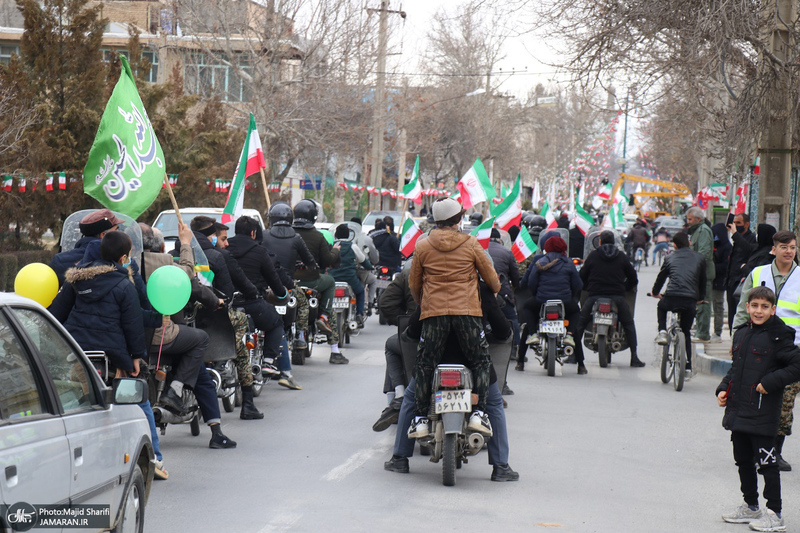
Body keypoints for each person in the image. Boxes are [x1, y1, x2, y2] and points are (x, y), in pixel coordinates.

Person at [383, 299, 518, 482]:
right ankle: (501, 466)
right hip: (474, 366)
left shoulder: (433, 288)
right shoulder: (479, 290)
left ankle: (400, 458)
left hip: (433, 365)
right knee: (493, 403)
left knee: (410, 397)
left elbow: (413, 330)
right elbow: (503, 331)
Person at [406, 197, 501, 439]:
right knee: (480, 361)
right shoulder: (471, 244)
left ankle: (420, 420)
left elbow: (414, 285)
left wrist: (424, 303)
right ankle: (479, 414)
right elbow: (492, 280)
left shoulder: (422, 246)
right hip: (467, 314)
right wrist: (493, 290)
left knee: (425, 364)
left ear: (436, 220)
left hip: (434, 315)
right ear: (459, 219)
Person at [717, 286, 800, 531]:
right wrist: (723, 389)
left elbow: (797, 365)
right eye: (754, 306)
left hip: (764, 414)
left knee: (768, 464)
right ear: (747, 307)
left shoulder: (779, 335)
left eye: (764, 307)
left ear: (773, 309)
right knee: (743, 460)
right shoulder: (742, 333)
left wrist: (770, 382)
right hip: (739, 410)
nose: (759, 311)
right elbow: (736, 368)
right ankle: (751, 506)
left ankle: (775, 514)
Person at [733, 230, 800, 473]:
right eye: (784, 247)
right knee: (754, 398)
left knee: (784, 403)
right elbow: (743, 310)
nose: (789, 251)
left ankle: (775, 452)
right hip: (757, 348)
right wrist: (736, 340)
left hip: (790, 350)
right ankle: (754, 449)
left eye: (792, 247)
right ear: (774, 249)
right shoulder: (758, 273)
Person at [226, 215, 301, 391]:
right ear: (253, 233)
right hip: (253, 303)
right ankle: (268, 361)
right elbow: (274, 279)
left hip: (228, 305)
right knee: (276, 323)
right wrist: (282, 293)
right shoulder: (260, 252)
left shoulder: (225, 249)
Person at [576, 230, 644, 367]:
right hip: (617, 297)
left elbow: (582, 276)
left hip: (594, 296)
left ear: (600, 242)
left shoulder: (593, 256)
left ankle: (573, 356)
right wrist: (625, 287)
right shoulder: (622, 257)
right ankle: (634, 357)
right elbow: (633, 277)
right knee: (628, 323)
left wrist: (588, 287)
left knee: (580, 323)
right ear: (614, 242)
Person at [292, 199, 348, 364]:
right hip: (311, 281)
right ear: (313, 217)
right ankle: (333, 347)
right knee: (330, 282)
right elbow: (327, 260)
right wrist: (336, 251)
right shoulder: (318, 236)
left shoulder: (286, 234)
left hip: (289, 283)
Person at [523, 235, 586, 374]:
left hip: (541, 300)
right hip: (564, 302)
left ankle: (531, 338)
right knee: (575, 312)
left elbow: (531, 283)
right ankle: (572, 342)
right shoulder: (568, 262)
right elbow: (578, 284)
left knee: (527, 307)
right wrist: (569, 295)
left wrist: (537, 294)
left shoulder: (539, 261)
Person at [261, 202, 319, 350]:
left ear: (271, 218)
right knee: (303, 304)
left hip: (266, 283)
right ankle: (300, 335)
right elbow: (309, 260)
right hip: (287, 284)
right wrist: (311, 265)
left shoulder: (264, 235)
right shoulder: (296, 238)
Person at [652, 232, 707, 376]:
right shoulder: (700, 258)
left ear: (675, 245)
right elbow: (702, 282)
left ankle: (662, 332)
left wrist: (655, 292)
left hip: (671, 297)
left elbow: (661, 278)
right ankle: (687, 368)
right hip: (690, 300)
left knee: (661, 306)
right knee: (686, 332)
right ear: (689, 243)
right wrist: (700, 298)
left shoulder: (669, 257)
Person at [372, 262, 417, 432]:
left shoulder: (411, 270)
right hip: (461, 337)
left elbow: (386, 303)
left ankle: (399, 395)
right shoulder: (466, 267)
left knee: (392, 344)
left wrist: (403, 323)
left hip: (416, 336)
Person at [50, 209, 123, 285]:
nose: (119, 233)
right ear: (104, 235)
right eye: (116, 230)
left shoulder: (59, 260)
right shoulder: (115, 260)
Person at [488, 228, 521, 360]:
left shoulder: (478, 250)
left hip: (481, 292)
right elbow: (515, 275)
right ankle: (514, 348)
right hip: (503, 292)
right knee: (512, 319)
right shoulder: (507, 252)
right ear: (499, 239)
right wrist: (516, 287)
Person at [329, 224, 372, 324]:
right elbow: (363, 260)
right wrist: (369, 266)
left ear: (336, 235)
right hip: (349, 279)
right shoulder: (353, 246)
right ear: (348, 235)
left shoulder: (332, 246)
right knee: (360, 292)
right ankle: (359, 314)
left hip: (333, 278)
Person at [686, 206, 715, 342]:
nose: (688, 222)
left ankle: (703, 333)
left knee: (703, 303)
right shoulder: (697, 231)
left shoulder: (703, 231)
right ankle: (700, 330)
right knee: (699, 303)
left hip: (703, 274)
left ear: (698, 219)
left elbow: (703, 254)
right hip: (698, 273)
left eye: (690, 219)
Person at [727, 213, 758, 334]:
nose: (735, 225)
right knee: (731, 314)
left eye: (738, 223)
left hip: (741, 282)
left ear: (746, 224)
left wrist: (735, 235)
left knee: (741, 314)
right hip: (731, 282)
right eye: (734, 223)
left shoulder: (751, 238)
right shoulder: (736, 239)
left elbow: (749, 249)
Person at [347, 217, 380, 314]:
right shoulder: (367, 239)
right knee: (373, 281)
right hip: (362, 271)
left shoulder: (345, 238)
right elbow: (375, 259)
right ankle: (369, 304)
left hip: (346, 271)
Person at [711, 223, 732, 342]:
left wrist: (712, 267)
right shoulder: (713, 245)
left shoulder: (727, 247)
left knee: (718, 306)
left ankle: (717, 332)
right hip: (710, 280)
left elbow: (725, 266)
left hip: (719, 281)